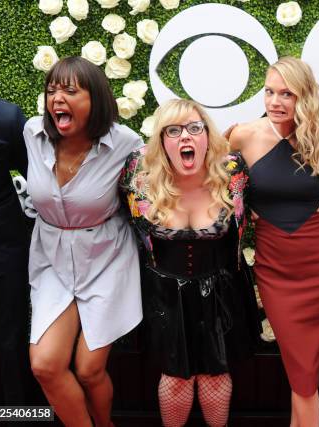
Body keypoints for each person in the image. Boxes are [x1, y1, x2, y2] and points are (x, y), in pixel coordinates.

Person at [119, 99, 260, 427]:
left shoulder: (231, 170)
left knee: (215, 373)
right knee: (176, 376)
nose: (185, 137)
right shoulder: (139, 173)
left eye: (195, 128)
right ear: (162, 140)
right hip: (164, 294)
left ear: (207, 136)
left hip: (220, 290)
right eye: (174, 130)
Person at [24, 56, 143, 427]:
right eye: (52, 90)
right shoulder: (31, 133)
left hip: (106, 257)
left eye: (71, 90)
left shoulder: (126, 143)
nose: (57, 97)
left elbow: (148, 198)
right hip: (52, 259)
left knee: (90, 370)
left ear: (96, 100)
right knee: (45, 365)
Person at [230, 56, 319, 426]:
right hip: (274, 267)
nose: (275, 102)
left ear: (304, 96)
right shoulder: (243, 135)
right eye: (269, 92)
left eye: (286, 94)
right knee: (302, 371)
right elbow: (220, 191)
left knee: (305, 373)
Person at [0, 93, 32, 405]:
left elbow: (39, 178)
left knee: (11, 343)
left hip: (4, 248)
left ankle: (21, 416)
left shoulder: (6, 116)